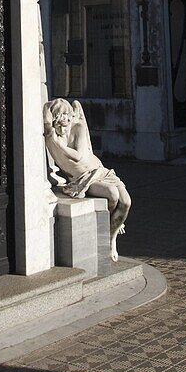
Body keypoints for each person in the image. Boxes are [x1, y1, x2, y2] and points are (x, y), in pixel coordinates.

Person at [43, 98, 131, 261]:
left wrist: (59, 144)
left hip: (99, 171)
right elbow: (47, 119)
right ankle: (110, 234)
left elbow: (79, 156)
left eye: (68, 117)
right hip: (81, 179)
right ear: (55, 119)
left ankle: (112, 236)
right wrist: (49, 107)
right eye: (61, 118)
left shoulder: (78, 127)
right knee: (112, 195)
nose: (66, 122)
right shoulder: (51, 135)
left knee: (126, 202)